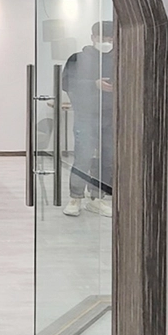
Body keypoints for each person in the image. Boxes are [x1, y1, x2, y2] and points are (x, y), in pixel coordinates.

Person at [61, 20, 114, 217]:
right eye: (102, 37)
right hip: (86, 116)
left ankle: (97, 198)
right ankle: (75, 197)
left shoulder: (120, 58)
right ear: (93, 37)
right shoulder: (78, 59)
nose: (106, 41)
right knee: (83, 157)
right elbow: (67, 84)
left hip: (111, 117)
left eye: (110, 38)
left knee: (107, 159)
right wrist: (94, 84)